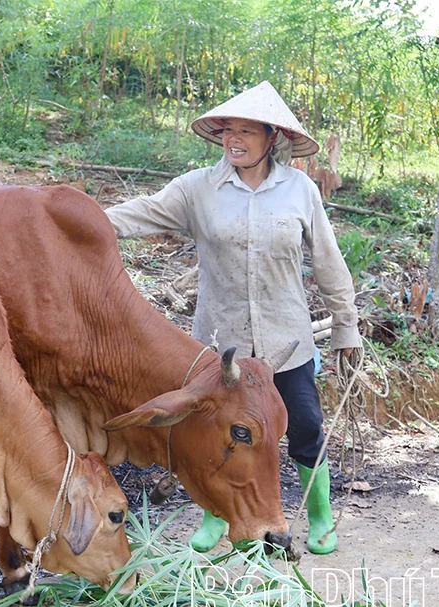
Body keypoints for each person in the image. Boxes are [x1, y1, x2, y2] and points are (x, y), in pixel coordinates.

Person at [104, 81, 361, 555]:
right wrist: (79, 217)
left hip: (286, 340)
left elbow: (328, 261)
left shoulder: (300, 190)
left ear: (272, 138)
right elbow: (140, 215)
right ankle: (216, 516)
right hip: (221, 348)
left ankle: (319, 514)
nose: (234, 139)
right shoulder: (197, 188)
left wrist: (346, 326)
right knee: (216, 431)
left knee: (304, 423)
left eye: (246, 131)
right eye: (227, 130)